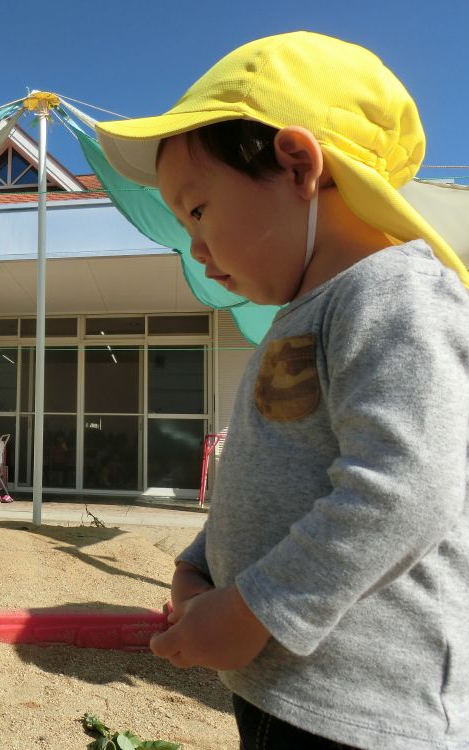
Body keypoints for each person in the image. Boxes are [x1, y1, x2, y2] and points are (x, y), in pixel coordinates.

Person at [96, 31, 469, 749]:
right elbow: (275, 470)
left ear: (297, 164)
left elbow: (406, 487)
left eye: (197, 211)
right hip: (282, 687)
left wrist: (250, 612)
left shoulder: (396, 292)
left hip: (369, 711)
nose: (196, 249)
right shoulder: (303, 313)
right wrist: (201, 562)